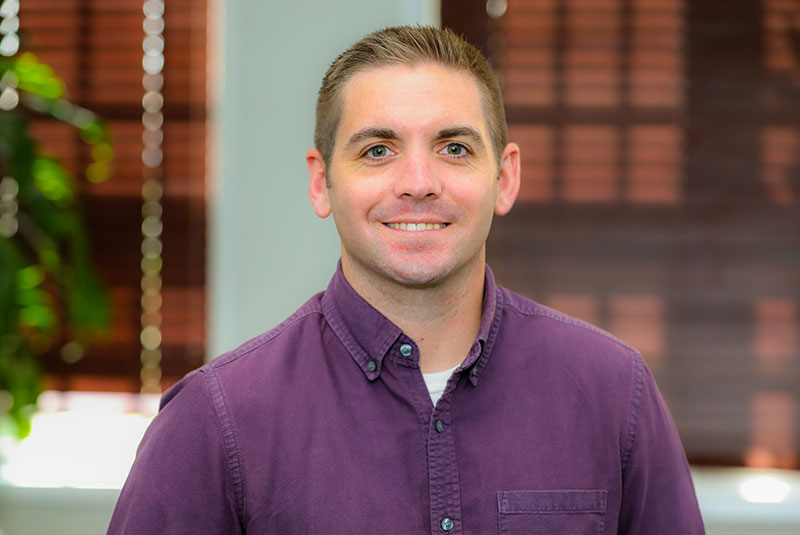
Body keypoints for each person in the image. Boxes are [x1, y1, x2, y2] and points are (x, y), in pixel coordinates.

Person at [108, 26, 704, 534]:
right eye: (377, 151)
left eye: (453, 147)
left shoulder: (614, 393)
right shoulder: (214, 421)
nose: (418, 182)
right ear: (321, 182)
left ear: (505, 176)